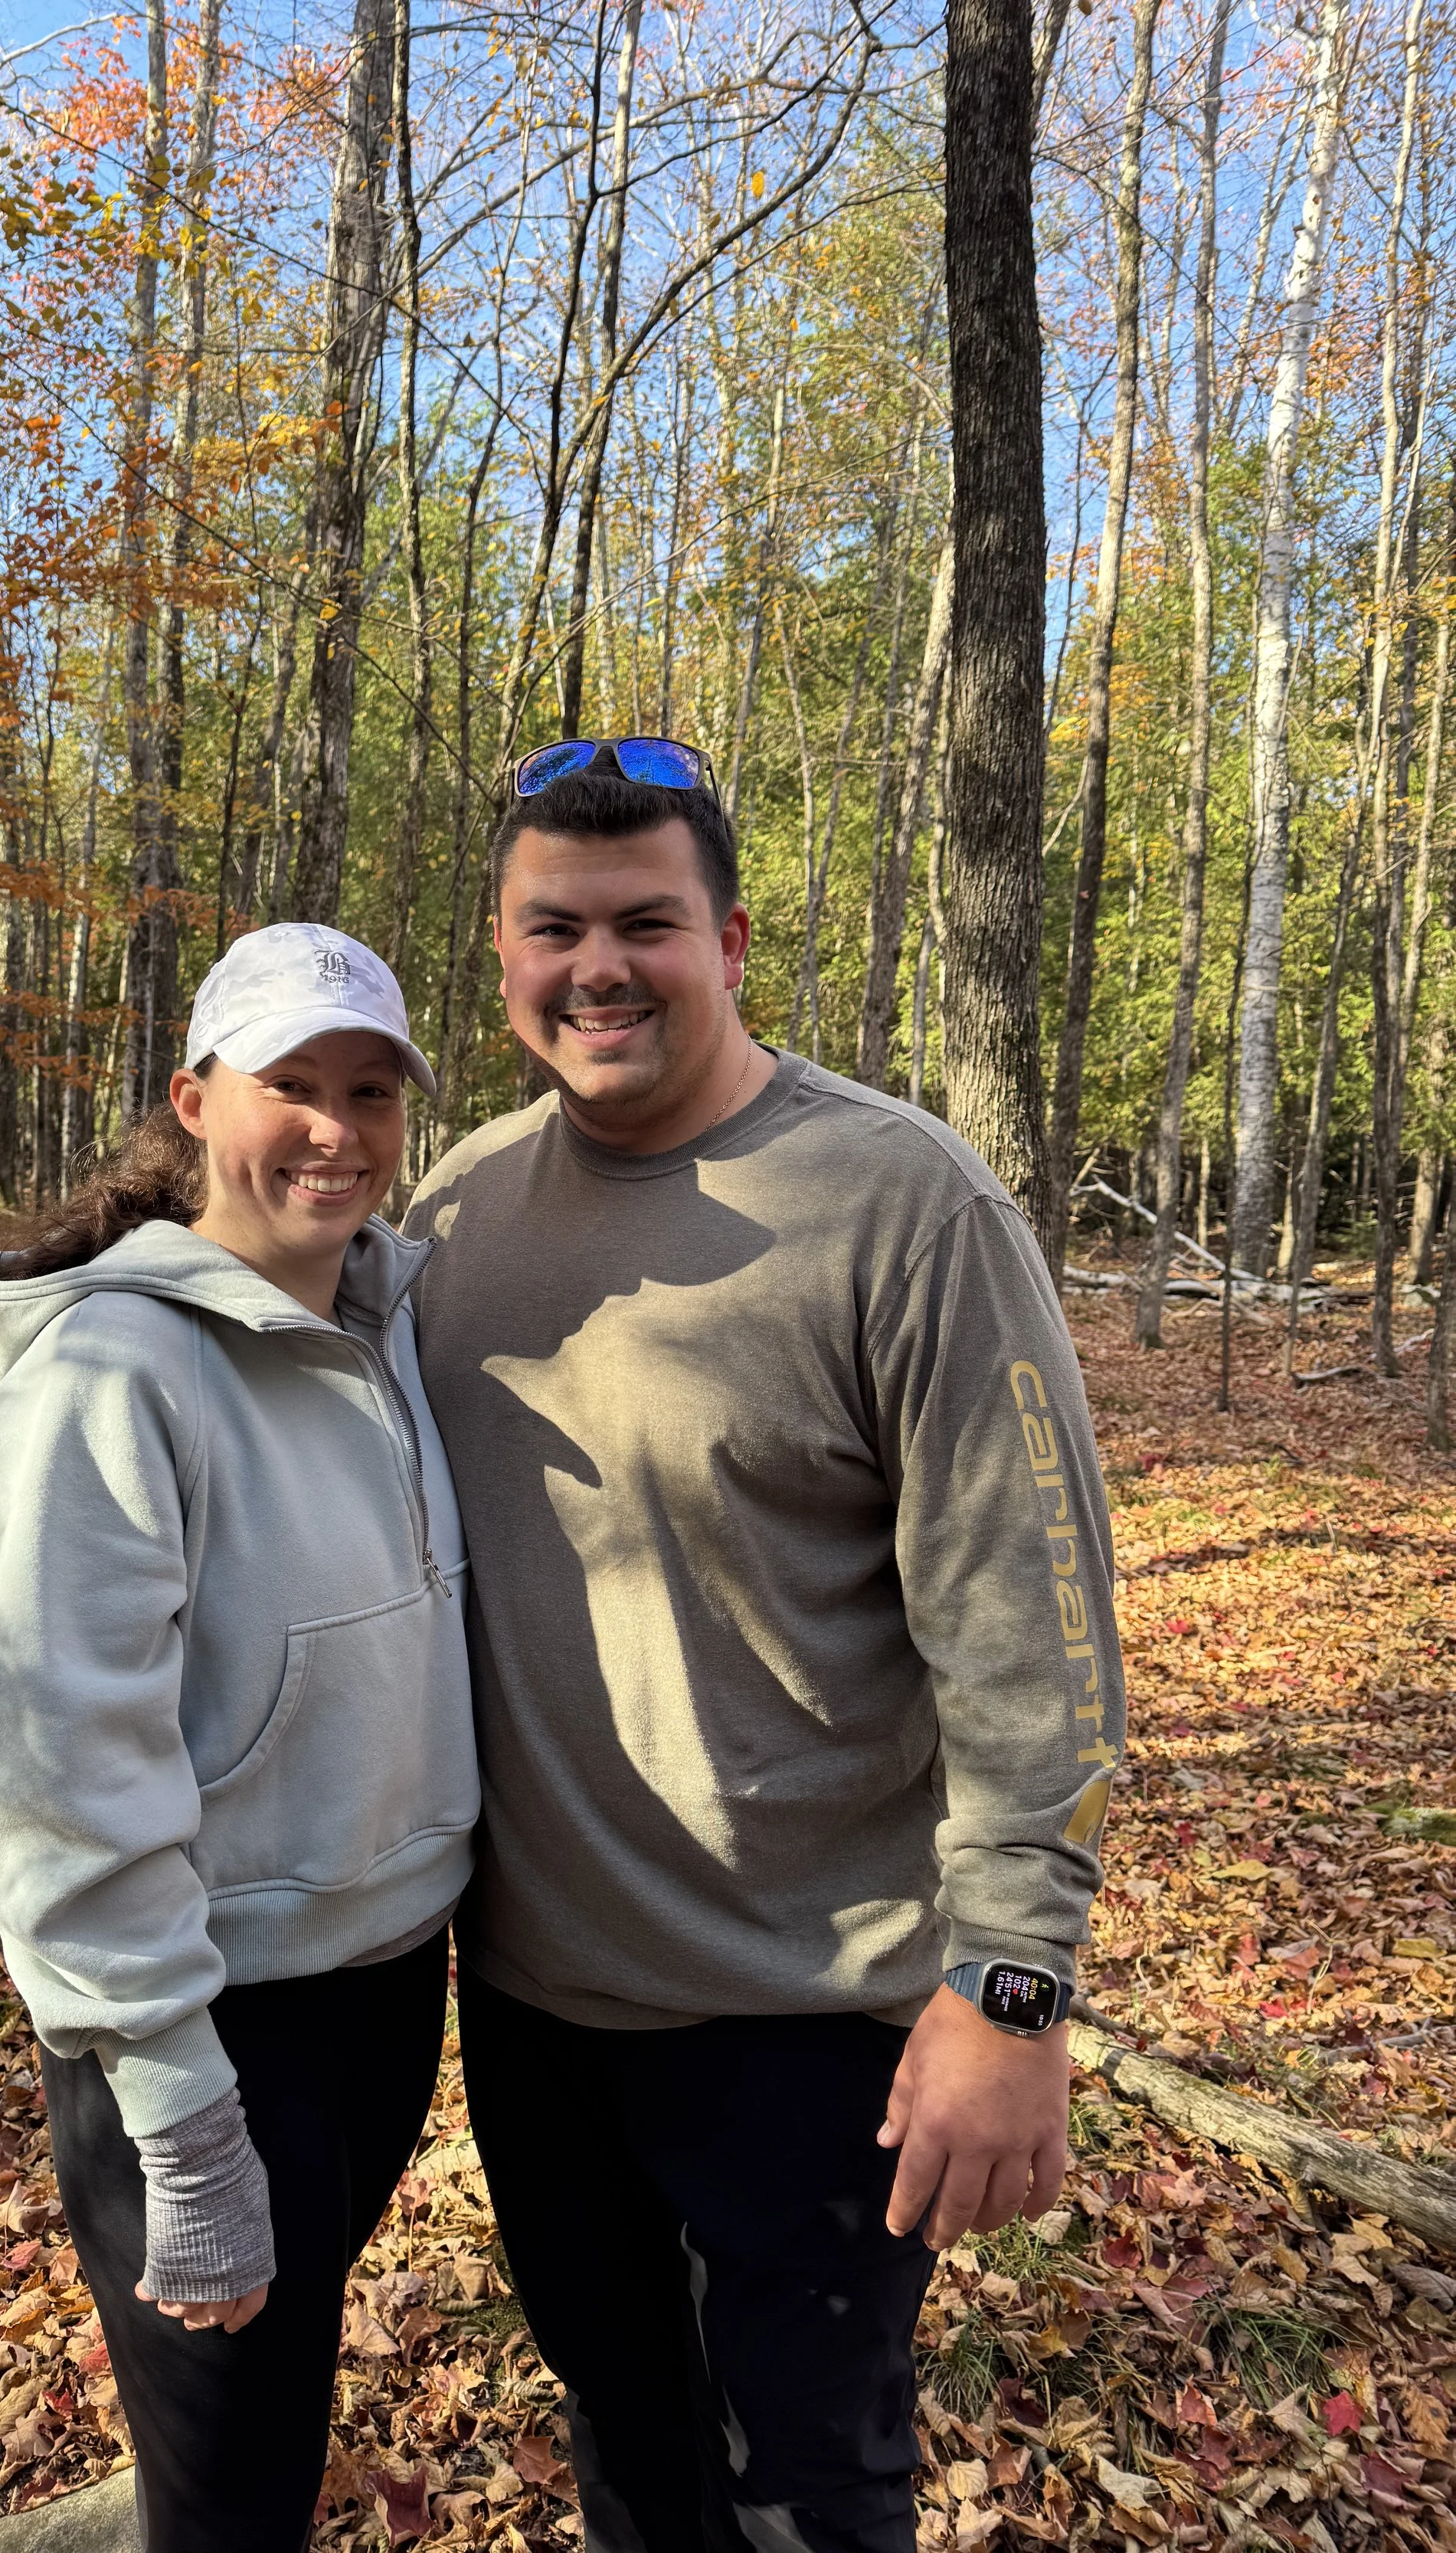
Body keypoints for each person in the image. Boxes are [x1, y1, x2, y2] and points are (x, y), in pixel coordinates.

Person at [403, 739, 1124, 2553]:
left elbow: (1028, 1622)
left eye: (644, 921)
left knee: (804, 2496)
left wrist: (1012, 1985)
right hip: (534, 2010)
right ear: (498, 956)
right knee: (630, 2460)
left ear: (725, 939)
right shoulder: (449, 1218)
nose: (598, 966)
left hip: (810, 2024)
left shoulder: (899, 1204)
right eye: (551, 927)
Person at [0, 924, 478, 2553]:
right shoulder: (107, 1380)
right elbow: (57, 1780)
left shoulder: (386, 1328)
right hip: (206, 2033)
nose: (335, 1128)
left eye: (369, 1090)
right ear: (192, 1101)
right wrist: (179, 2115)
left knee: (254, 2431)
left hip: (382, 1991)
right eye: (289, 1086)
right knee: (237, 2504)